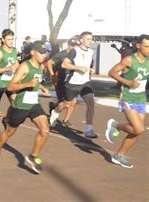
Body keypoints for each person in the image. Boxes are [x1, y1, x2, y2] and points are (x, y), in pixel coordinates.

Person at [0, 41, 50, 174]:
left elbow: (35, 81)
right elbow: (11, 86)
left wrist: (41, 87)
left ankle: (33, 156)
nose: (44, 55)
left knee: (45, 130)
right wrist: (28, 84)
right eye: (41, 53)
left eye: (45, 53)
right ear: (33, 52)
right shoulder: (24, 67)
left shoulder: (40, 65)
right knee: (9, 132)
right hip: (21, 105)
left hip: (33, 103)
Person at [106, 34, 149, 168]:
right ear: (138, 46)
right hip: (128, 98)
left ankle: (118, 156)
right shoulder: (129, 60)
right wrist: (128, 82)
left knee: (136, 131)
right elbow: (111, 72)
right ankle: (115, 125)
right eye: (147, 46)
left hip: (141, 98)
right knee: (139, 129)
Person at [49, 31, 98, 138]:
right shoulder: (74, 51)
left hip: (85, 83)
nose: (91, 41)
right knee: (66, 104)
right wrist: (78, 68)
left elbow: (85, 65)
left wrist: (89, 70)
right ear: (81, 40)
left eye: (91, 39)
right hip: (73, 83)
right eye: (88, 39)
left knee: (91, 104)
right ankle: (55, 112)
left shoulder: (90, 52)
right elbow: (64, 64)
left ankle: (89, 130)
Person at [47, 37, 79, 127]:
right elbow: (49, 62)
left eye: (76, 45)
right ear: (69, 45)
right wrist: (53, 75)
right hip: (60, 81)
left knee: (73, 101)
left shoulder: (77, 55)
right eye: (73, 45)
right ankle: (54, 111)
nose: (75, 47)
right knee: (65, 102)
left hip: (71, 81)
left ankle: (66, 120)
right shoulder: (62, 54)